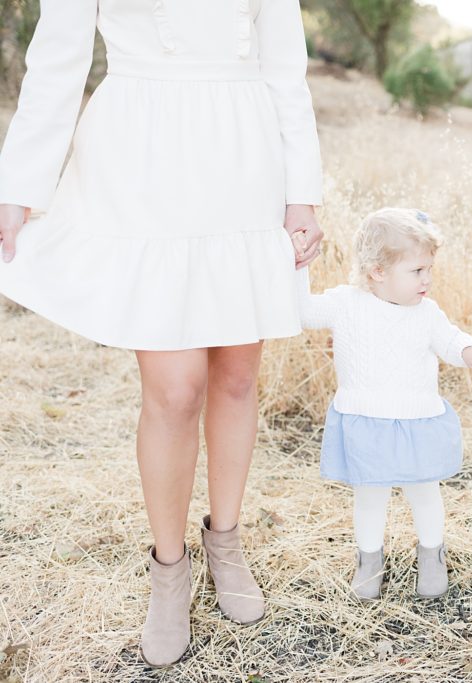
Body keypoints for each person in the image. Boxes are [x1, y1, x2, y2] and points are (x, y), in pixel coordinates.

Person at [0, 0, 324, 667]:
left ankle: (226, 543)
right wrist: (18, 186)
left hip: (245, 153)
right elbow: (56, 61)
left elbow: (287, 69)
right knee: (176, 389)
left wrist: (303, 191)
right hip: (142, 158)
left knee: (237, 375)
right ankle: (168, 571)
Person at [295, 208, 472, 601]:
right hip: (366, 420)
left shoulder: (427, 312)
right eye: (417, 271)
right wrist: (298, 263)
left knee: (424, 492)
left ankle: (431, 555)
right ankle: (369, 561)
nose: (428, 280)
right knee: (370, 496)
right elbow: (304, 312)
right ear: (377, 271)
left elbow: (450, 339)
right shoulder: (346, 303)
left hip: (415, 420)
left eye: (429, 269)